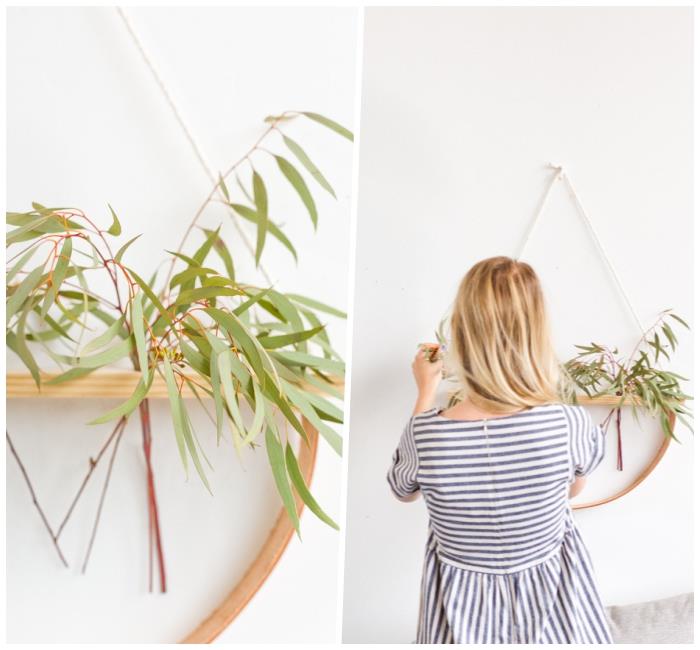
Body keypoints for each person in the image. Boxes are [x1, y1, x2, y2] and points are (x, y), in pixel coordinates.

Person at [387, 256, 613, 644]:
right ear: (537, 335)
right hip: (558, 616)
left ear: (462, 334)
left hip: (461, 618)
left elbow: (402, 490)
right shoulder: (567, 424)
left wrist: (425, 391)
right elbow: (572, 490)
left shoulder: (427, 435)